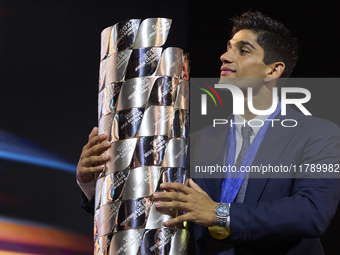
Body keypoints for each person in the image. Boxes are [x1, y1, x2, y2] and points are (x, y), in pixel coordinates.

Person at [77, 11, 340, 254]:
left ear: (273, 70)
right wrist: (93, 184)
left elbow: (312, 212)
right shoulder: (196, 141)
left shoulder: (317, 133)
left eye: (243, 50)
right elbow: (149, 209)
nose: (225, 57)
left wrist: (219, 213)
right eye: (228, 48)